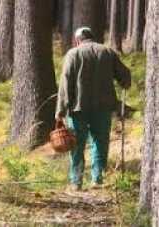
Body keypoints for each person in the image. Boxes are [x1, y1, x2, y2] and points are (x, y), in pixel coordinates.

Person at [55, 27, 131, 191]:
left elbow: (65, 84)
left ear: (77, 40)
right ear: (93, 37)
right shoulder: (107, 52)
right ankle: (97, 179)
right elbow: (125, 75)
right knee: (100, 142)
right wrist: (125, 82)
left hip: (77, 109)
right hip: (103, 108)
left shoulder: (73, 54)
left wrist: (60, 111)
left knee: (76, 144)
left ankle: (76, 181)